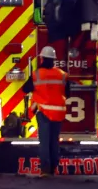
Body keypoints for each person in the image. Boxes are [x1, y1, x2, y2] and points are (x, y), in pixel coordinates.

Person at [22, 46, 70, 176]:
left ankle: (45, 169)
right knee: (54, 141)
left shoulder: (37, 74)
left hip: (43, 112)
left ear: (42, 58)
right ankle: (54, 167)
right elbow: (68, 93)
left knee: (44, 142)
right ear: (54, 60)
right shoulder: (62, 74)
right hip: (58, 113)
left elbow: (25, 89)